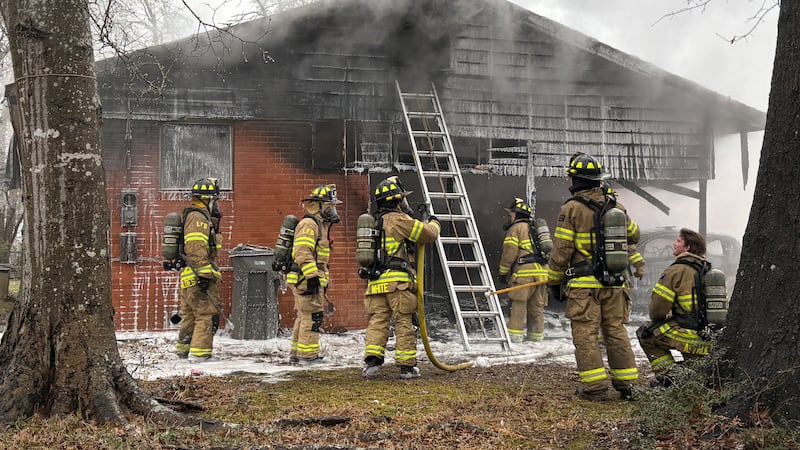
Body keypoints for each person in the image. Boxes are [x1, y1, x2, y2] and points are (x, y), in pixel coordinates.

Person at [547, 152, 645, 401]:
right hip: (616, 283)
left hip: (584, 286)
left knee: (586, 334)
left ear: (575, 180)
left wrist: (554, 280)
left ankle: (595, 388)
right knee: (616, 331)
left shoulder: (571, 209)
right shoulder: (616, 206)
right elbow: (634, 235)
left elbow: (562, 249)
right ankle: (626, 384)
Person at [362, 176, 440, 379]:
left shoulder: (375, 222)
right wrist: (434, 222)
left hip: (375, 283)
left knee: (378, 321)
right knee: (404, 321)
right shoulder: (399, 220)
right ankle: (407, 366)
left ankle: (372, 364)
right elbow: (429, 235)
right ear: (397, 200)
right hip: (398, 283)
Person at [636, 228, 713, 387]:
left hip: (687, 336)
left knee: (645, 333)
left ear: (687, 248)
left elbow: (658, 311)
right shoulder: (709, 270)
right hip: (708, 338)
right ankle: (686, 378)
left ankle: (669, 378)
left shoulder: (676, 270)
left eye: (678, 241)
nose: (674, 243)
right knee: (696, 377)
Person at [287, 185, 341, 364]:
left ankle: (297, 354)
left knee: (304, 316)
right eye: (329, 206)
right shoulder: (309, 224)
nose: (332, 210)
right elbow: (302, 251)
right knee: (313, 317)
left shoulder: (319, 225)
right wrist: (312, 277)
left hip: (309, 278)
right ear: (318, 205)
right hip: (306, 278)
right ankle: (308, 356)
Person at [176, 178, 224, 362]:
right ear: (207, 199)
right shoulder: (198, 218)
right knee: (206, 315)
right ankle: (200, 355)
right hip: (198, 276)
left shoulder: (195, 215)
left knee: (189, 316)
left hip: (190, 276)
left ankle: (183, 351)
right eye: (215, 200)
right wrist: (204, 274)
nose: (217, 205)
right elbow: (196, 248)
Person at [498, 197, 549, 342]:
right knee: (537, 308)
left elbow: (509, 253)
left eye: (511, 214)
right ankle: (536, 339)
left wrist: (503, 273)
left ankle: (515, 338)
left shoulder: (516, 228)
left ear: (516, 214)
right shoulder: (534, 228)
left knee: (518, 306)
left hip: (525, 273)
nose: (509, 217)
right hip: (542, 273)